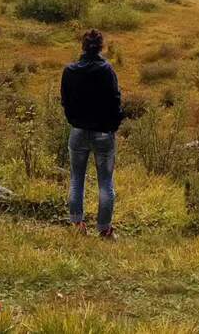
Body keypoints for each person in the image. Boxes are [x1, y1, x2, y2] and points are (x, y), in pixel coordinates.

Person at [60, 28, 123, 239]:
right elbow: (115, 100)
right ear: (101, 47)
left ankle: (77, 225)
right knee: (105, 182)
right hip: (103, 133)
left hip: (78, 131)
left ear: (83, 46)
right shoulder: (106, 70)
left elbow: (65, 101)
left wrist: (73, 120)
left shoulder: (70, 71)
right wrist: (113, 125)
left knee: (76, 179)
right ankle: (104, 229)